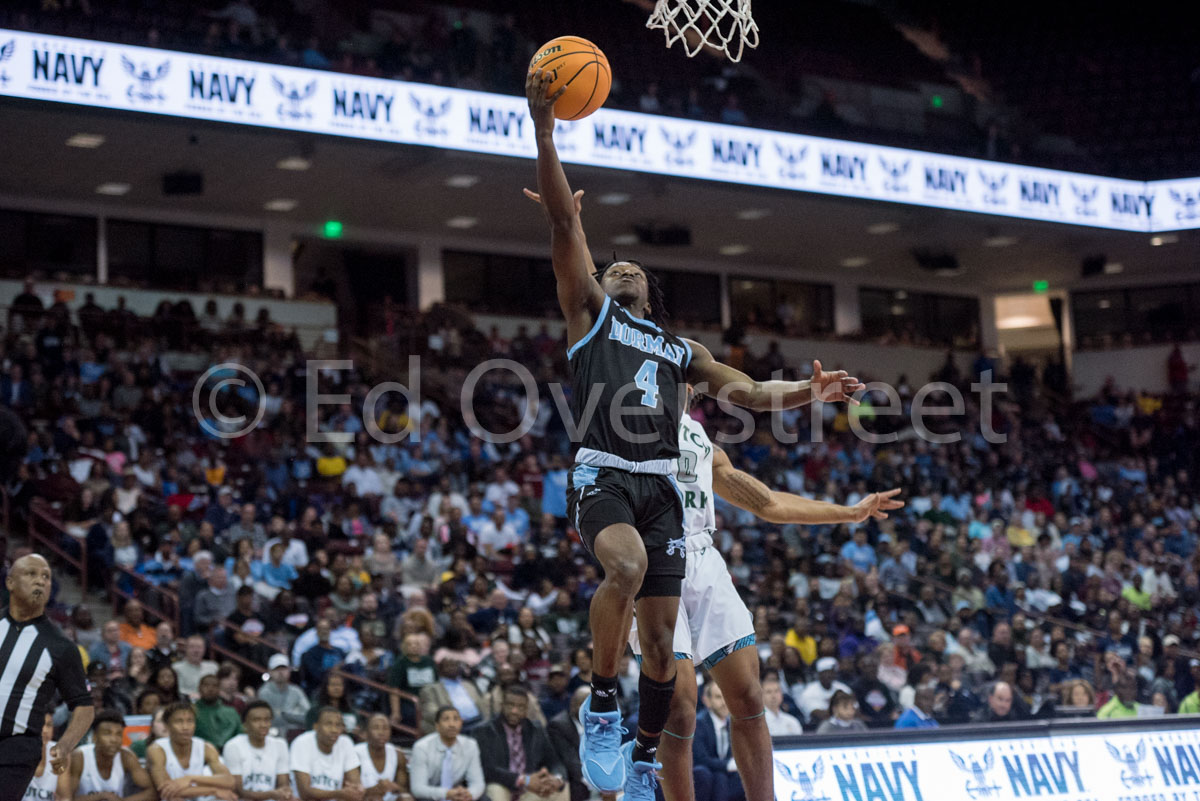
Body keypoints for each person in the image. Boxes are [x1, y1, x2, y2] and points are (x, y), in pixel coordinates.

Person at [525, 67, 864, 799]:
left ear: (650, 292)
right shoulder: (592, 315)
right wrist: (546, 133)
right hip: (606, 471)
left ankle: (641, 754)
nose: (619, 266)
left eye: (631, 266)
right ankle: (602, 705)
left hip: (663, 494)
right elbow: (563, 224)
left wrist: (811, 388)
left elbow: (749, 392)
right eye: (610, 264)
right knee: (624, 571)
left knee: (663, 656)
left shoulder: (682, 353)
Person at [630, 404, 899, 801]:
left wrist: (849, 512)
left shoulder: (700, 440)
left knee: (749, 697)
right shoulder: (628, 427)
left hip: (703, 559)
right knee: (680, 706)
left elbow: (767, 503)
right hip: (653, 560)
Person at [1, 554, 94, 797]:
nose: (40, 581)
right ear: (10, 582)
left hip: (15, 749)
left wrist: (65, 745)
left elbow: (84, 706)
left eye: (46, 577)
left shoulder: (60, 646)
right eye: (31, 574)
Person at [475, 686, 567, 801]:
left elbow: (555, 762)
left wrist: (557, 779)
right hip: (502, 784)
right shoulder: (485, 730)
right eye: (510, 705)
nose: (514, 711)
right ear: (502, 705)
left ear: (526, 710)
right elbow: (487, 769)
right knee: (496, 791)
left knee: (561, 789)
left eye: (520, 707)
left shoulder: (536, 729)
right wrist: (523, 779)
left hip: (530, 787)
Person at [58, 708, 155, 801]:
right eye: (107, 733)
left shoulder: (127, 757)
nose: (114, 740)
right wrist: (100, 797)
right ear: (94, 737)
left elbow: (151, 792)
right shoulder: (80, 757)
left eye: (118, 734)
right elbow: (66, 798)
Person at [146, 702, 236, 800]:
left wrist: (190, 778)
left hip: (197, 797)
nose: (185, 727)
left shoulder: (206, 747)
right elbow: (165, 790)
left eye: (190, 721)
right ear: (167, 725)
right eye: (179, 722)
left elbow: (229, 781)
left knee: (229, 797)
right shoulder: (156, 749)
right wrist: (214, 790)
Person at [222, 700, 294, 801]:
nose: (263, 725)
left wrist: (285, 793)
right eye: (256, 720)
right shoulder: (233, 746)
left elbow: (283, 784)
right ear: (245, 725)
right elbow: (237, 790)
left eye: (267, 720)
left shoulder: (280, 745)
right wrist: (270, 794)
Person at [409, 707, 485, 801]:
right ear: (437, 725)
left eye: (456, 719)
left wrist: (469, 795)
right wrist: (447, 794)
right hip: (431, 796)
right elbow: (418, 789)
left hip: (459, 796)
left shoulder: (470, 745)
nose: (452, 724)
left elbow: (477, 783)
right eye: (446, 719)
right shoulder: (421, 747)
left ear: (461, 723)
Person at [289, 707, 363, 801]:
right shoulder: (302, 742)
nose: (334, 730)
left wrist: (357, 790)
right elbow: (305, 793)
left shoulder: (346, 743)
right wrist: (339, 794)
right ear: (316, 727)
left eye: (338, 725)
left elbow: (355, 787)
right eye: (328, 724)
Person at [691, 683, 743, 801]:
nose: (724, 703)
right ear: (707, 701)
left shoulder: (733, 724)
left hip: (723, 774)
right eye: (719, 697)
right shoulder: (698, 723)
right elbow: (701, 759)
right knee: (718, 778)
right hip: (702, 772)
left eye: (727, 697)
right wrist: (727, 765)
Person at [418, 658, 484, 734]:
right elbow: (430, 712)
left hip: (478, 722)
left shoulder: (468, 684)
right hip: (455, 727)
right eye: (448, 666)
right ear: (440, 670)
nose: (452, 668)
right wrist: (453, 720)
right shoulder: (431, 689)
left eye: (455, 665)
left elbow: (481, 705)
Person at [355, 713, 411, 801]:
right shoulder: (356, 754)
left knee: (406, 798)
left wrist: (395, 787)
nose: (381, 733)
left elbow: (403, 790)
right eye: (376, 728)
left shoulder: (398, 755)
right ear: (366, 733)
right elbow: (351, 792)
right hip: (364, 798)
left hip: (389, 798)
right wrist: (376, 789)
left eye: (385, 728)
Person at [546, 689, 589, 801]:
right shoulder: (558, 725)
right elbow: (570, 760)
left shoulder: (597, 722)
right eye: (582, 704)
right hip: (572, 776)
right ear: (572, 704)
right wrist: (594, 780)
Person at [259, 654, 311, 734]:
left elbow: (308, 716)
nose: (280, 672)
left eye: (283, 669)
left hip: (294, 733)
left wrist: (286, 715)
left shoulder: (296, 691)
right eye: (276, 669)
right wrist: (292, 714)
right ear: (270, 671)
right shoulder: (264, 693)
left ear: (289, 670)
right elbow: (267, 718)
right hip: (271, 734)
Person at [194, 674, 243, 749]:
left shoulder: (232, 712)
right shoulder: (191, 712)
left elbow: (240, 736)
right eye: (206, 685)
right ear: (199, 688)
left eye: (214, 686)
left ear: (220, 689)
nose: (210, 689)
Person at [22, 715, 57, 801]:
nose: (45, 730)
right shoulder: (13, 749)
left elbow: (65, 797)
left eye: (49, 725)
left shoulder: (59, 753)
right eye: (41, 725)